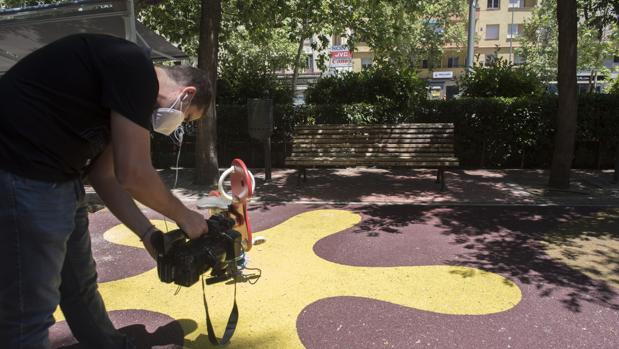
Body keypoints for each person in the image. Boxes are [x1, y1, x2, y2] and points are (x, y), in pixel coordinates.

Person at [0, 33, 211, 349]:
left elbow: (105, 177)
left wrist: (149, 235)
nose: (180, 125)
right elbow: (133, 174)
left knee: (80, 285)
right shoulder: (135, 68)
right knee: (26, 317)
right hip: (24, 171)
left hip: (59, 178)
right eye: (188, 116)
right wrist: (186, 217)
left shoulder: (125, 97)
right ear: (186, 93)